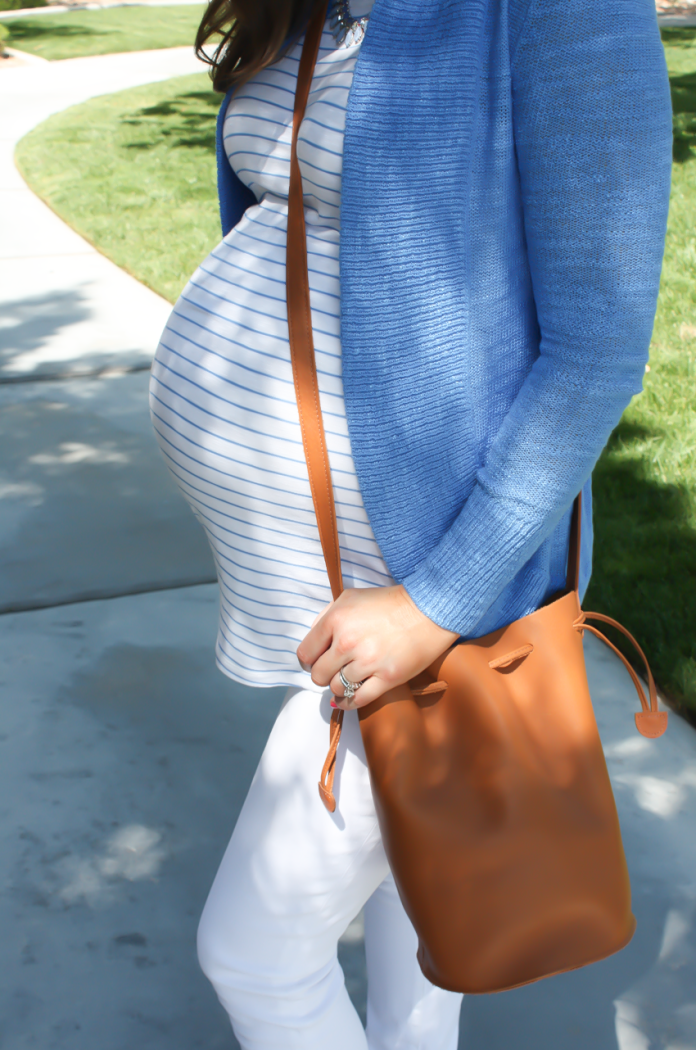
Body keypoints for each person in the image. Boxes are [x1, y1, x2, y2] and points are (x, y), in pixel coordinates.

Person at [148, 0, 672, 1043]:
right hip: (320, 564)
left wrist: (437, 601)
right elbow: (282, 218)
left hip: (421, 583)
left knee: (254, 956)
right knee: (425, 917)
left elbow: (596, 351)